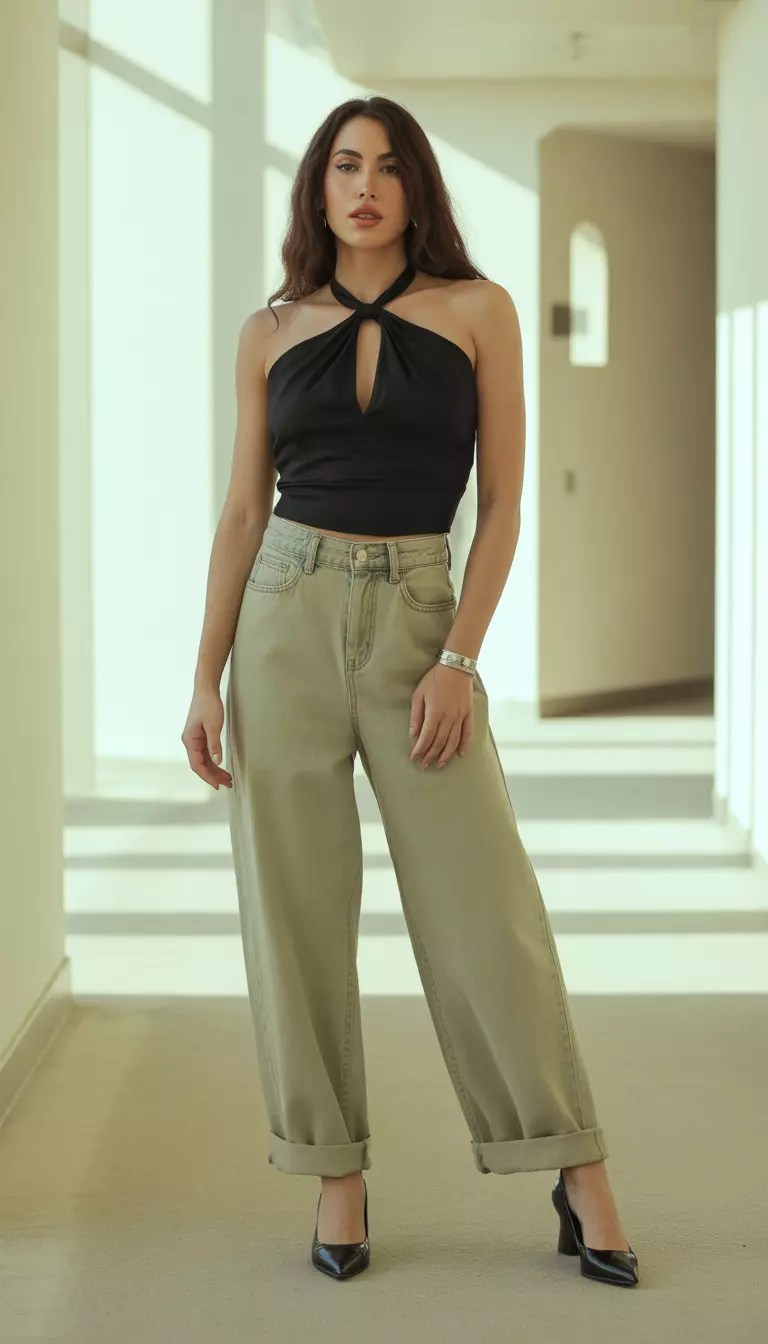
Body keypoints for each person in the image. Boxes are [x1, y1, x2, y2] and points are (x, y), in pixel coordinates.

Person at [181, 95, 639, 1289]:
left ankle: (572, 1160)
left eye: (387, 166)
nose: (365, 185)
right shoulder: (270, 328)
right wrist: (202, 674)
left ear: (415, 186)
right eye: (345, 165)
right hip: (282, 611)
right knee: (295, 906)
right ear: (318, 188)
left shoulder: (479, 311)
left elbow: (504, 505)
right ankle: (336, 1171)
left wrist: (460, 661)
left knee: (483, 903)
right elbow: (241, 509)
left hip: (416, 618)